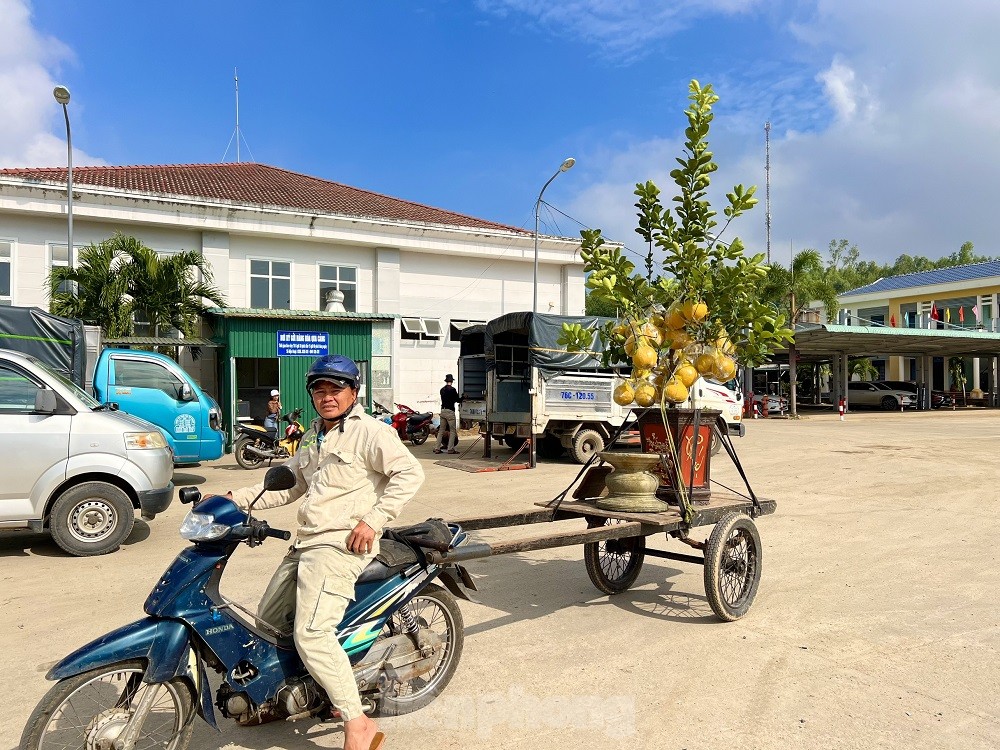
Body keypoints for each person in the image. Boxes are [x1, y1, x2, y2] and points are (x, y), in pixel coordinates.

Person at [228, 354, 423, 750]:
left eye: (336, 389)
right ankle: (279, 698)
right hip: (306, 541)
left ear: (353, 393)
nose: (327, 396)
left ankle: (357, 720)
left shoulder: (370, 432)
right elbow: (292, 484)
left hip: (341, 543)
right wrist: (235, 500)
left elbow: (410, 474)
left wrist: (373, 519)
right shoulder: (315, 435)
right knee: (265, 625)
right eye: (320, 389)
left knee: (312, 634)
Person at [433, 373, 462, 454]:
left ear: (446, 381)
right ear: (452, 381)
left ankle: (437, 448)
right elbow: (457, 400)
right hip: (450, 411)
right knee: (452, 431)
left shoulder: (442, 390)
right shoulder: (453, 390)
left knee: (441, 431)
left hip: (443, 411)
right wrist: (463, 397)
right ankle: (450, 449)